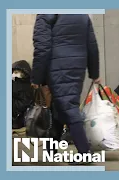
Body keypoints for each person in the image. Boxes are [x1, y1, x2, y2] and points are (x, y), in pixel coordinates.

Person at [31, 14, 100, 164]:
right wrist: (94, 73)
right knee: (58, 107)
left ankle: (85, 153)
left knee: (68, 108)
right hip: (77, 66)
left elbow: (42, 48)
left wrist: (36, 78)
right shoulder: (82, 15)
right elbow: (92, 45)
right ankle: (51, 152)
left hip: (57, 67)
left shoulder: (45, 14)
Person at [12, 60, 34, 129]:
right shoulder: (14, 82)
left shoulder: (27, 86)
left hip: (19, 116)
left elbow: (24, 102)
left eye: (16, 72)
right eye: (13, 72)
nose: (14, 74)